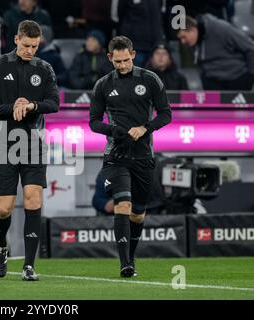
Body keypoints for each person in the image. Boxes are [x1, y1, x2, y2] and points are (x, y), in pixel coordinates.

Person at [0, 20, 59, 281]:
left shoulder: (44, 68)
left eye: (35, 46)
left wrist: (32, 106)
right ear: (16, 40)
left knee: (33, 200)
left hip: (34, 143)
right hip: (5, 143)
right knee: (4, 209)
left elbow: (54, 103)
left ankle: (29, 265)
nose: (30, 50)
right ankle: (1, 246)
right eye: (26, 45)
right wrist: (11, 107)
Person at [89, 36, 171, 277]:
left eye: (126, 60)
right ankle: (125, 264)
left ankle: (131, 256)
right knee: (122, 204)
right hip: (116, 155)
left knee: (138, 213)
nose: (122, 65)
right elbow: (94, 122)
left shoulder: (150, 79)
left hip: (144, 156)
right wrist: (112, 130)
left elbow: (166, 114)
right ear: (109, 58)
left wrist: (145, 128)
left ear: (133, 55)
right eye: (117, 61)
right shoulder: (102, 85)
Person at [177, 15, 254, 90]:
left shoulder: (221, 28)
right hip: (212, 82)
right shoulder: (191, 43)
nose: (183, 41)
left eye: (184, 37)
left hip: (238, 78)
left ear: (193, 30)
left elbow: (250, 48)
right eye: (180, 38)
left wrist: (250, 75)